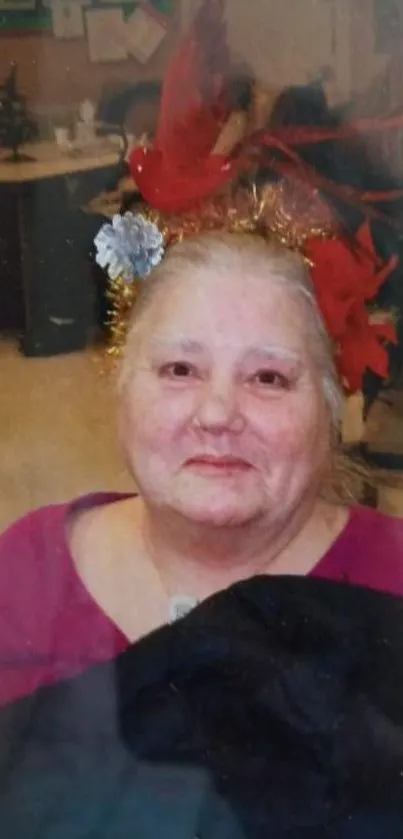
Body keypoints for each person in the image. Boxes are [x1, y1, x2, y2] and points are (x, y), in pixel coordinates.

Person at [1, 0, 403, 714]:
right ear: (122, 387)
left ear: (328, 405)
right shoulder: (25, 575)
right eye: (179, 369)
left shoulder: (391, 585)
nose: (217, 413)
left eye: (269, 376)